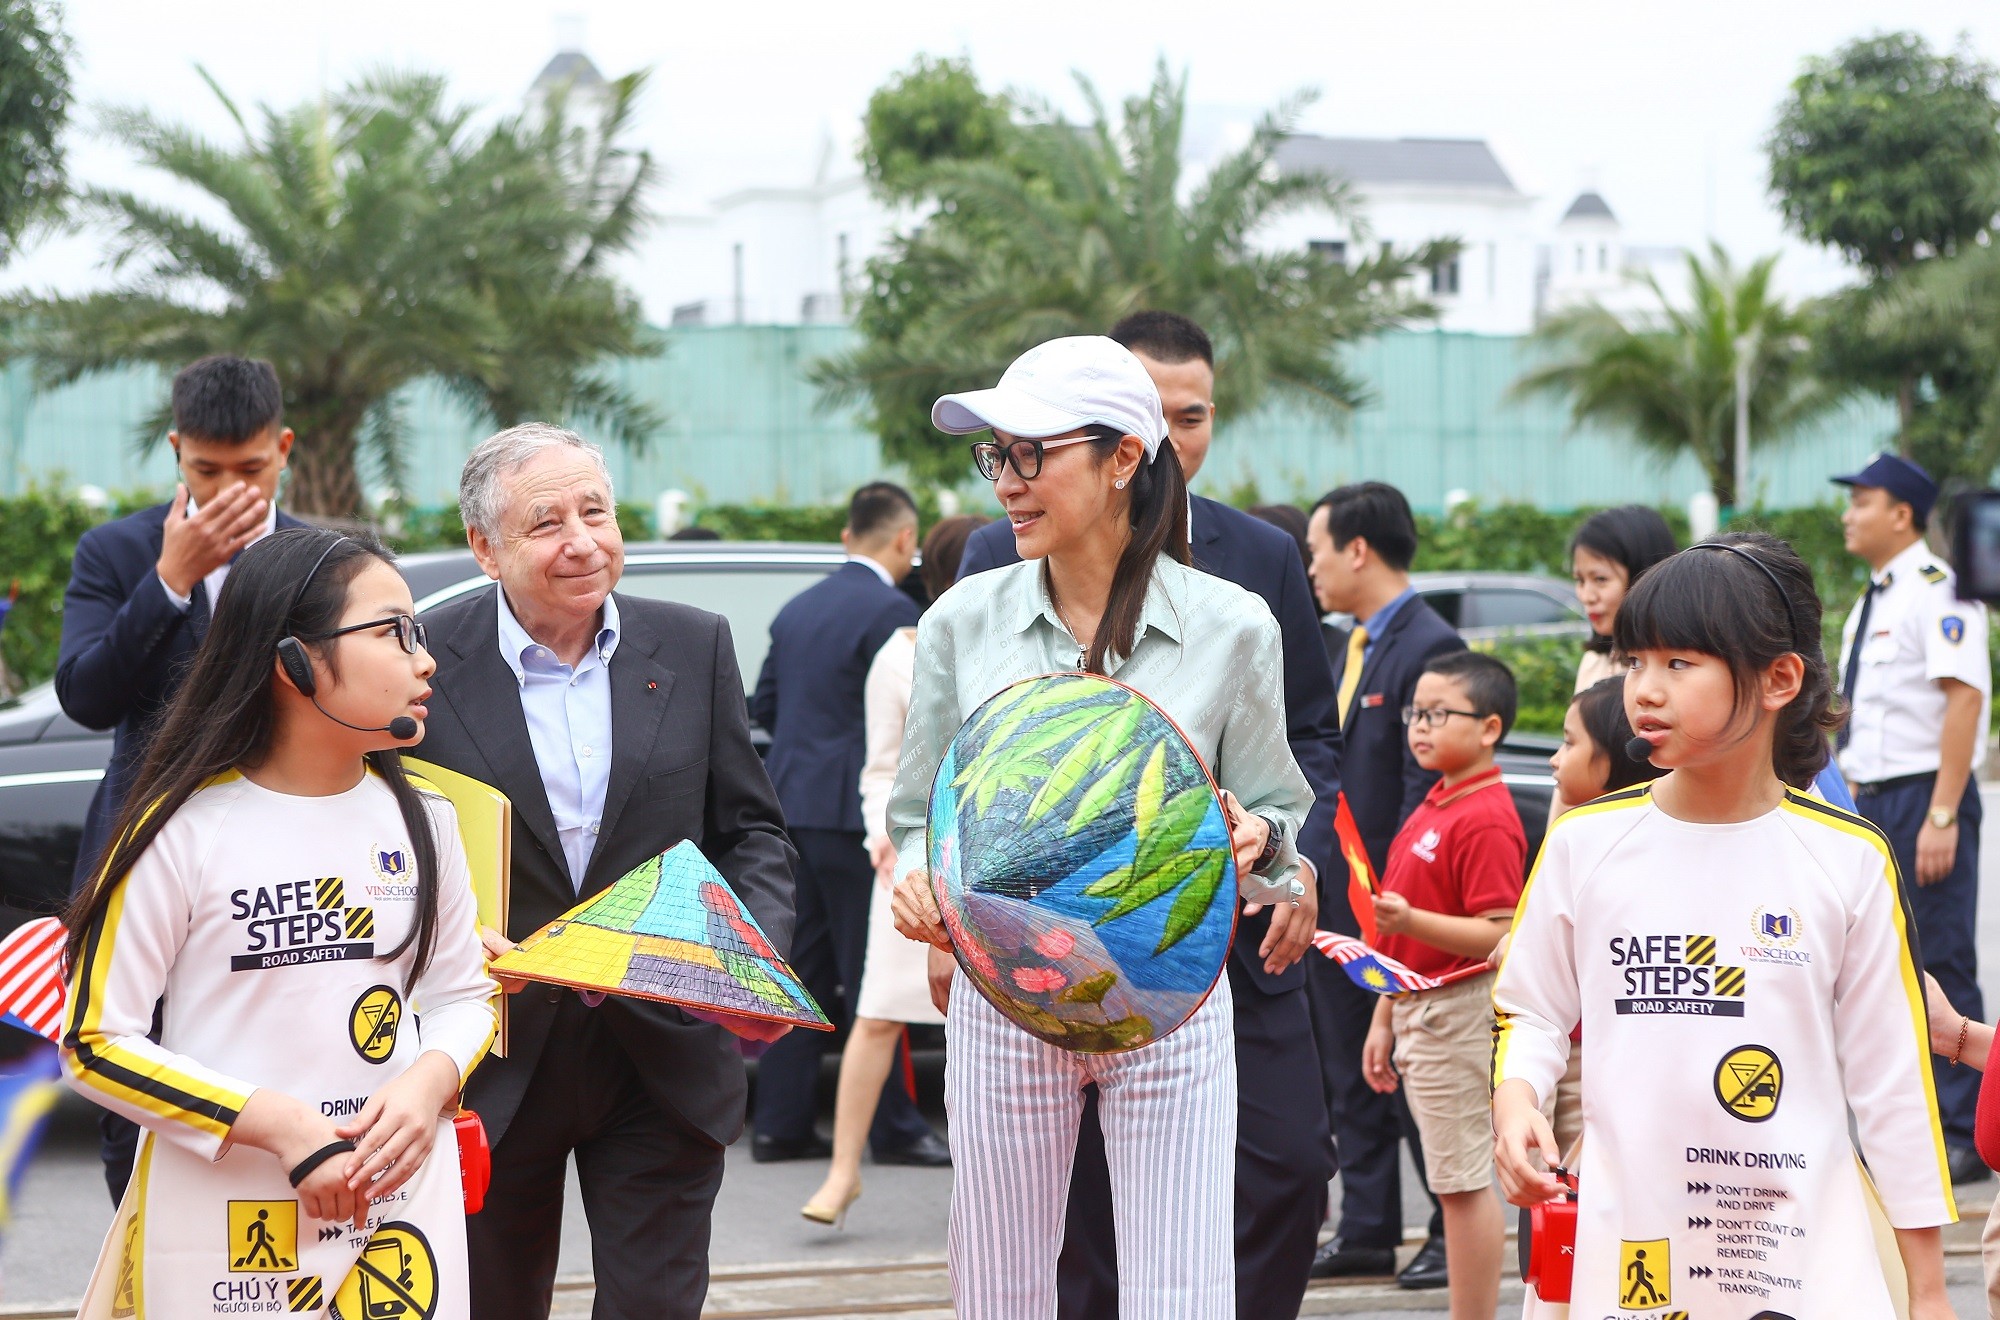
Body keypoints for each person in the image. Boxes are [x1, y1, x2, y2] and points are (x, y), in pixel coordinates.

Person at [891, 335, 1313, 1320]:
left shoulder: (1233, 624)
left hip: (1170, 995)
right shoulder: (961, 621)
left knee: (1183, 1292)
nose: (1005, 480)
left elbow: (1278, 813)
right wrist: (916, 877)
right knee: (998, 1290)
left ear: (1125, 455)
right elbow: (918, 811)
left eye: (1030, 452)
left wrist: (1258, 845)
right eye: (993, 455)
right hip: (1004, 996)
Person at [1493, 532, 1955, 1319]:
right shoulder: (1583, 844)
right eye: (1635, 660)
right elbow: (1533, 1007)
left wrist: (1930, 1292)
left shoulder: (1847, 858)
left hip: (1801, 1258)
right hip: (1625, 1247)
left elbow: (1894, 1088)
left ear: (1779, 679)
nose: (1644, 689)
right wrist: (1516, 1097)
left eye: (1679, 663)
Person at [61, 529, 497, 1316]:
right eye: (392, 632)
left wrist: (428, 1082)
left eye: (418, 634)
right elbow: (95, 1042)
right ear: (293, 661)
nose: (424, 660)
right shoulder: (178, 830)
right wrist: (282, 1127)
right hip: (228, 1234)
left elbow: (463, 995)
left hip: (399, 1218)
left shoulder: (427, 820)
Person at [414, 423, 796, 1320]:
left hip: (658, 1048)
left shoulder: (694, 644)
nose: (583, 541)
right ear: (484, 547)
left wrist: (753, 961)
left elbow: (752, 831)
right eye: (547, 522)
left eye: (597, 511)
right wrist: (444, 935)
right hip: (492, 1050)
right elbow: (376, 843)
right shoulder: (425, 657)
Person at [55, 353, 307, 1203]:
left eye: (249, 468)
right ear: (175, 452)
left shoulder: (321, 560)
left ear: (284, 449)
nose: (228, 488)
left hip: (289, 870)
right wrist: (171, 578)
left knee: (290, 1082)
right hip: (147, 864)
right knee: (136, 1095)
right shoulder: (117, 551)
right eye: (206, 470)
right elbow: (87, 696)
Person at [748, 483, 951, 1168]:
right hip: (857, 815)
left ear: (846, 535)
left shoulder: (797, 608)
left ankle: (779, 1123)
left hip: (790, 805)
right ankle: (893, 1127)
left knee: (799, 966)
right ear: (902, 540)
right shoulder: (893, 614)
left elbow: (767, 701)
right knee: (873, 974)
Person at [800, 512, 989, 1227]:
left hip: (1004, 873)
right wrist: (889, 838)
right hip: (916, 869)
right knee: (876, 1016)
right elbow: (881, 769)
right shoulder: (903, 652)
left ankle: (990, 1185)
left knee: (1002, 1031)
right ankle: (842, 1172)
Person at [1305, 481, 1463, 1287]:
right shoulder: (1351, 643)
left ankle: (1446, 1224)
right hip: (1338, 894)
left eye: (1318, 548)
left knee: (1409, 1069)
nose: (1313, 565)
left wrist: (1399, 906)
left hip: (1395, 901)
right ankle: (1366, 1224)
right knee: (1348, 1064)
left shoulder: (1426, 646)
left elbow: (1418, 789)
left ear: (1358, 549)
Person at [1833, 452, 1991, 1184]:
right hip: (1873, 799)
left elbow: (1964, 699)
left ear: (1901, 513)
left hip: (1928, 792)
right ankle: (1914, 1118)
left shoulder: (1941, 589)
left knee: (1944, 957)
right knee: (1884, 962)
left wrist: (1943, 812)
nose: (1848, 514)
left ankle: (1965, 1129)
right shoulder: (1873, 599)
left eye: (1861, 501)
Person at [1361, 651, 1526, 1320]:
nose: (1419, 728)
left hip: (1455, 1007)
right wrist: (1382, 1016)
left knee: (1459, 1184)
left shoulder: (1484, 813)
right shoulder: (1437, 796)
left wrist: (1409, 920)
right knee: (1450, 1181)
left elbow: (1501, 934)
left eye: (1437, 714)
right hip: (1414, 1002)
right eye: (1414, 714)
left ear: (1489, 728)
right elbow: (1403, 934)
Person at [1566, 505, 1676, 693]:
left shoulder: (1679, 668)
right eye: (1580, 580)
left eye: (1600, 579)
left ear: (1643, 578)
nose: (1586, 596)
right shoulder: (1594, 661)